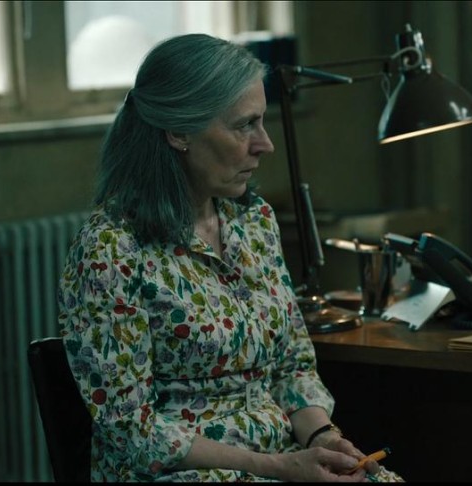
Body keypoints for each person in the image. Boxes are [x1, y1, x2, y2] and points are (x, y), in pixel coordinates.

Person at [57, 33, 404, 482]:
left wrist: (322, 436)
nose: (265, 144)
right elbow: (130, 430)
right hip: (179, 472)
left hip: (280, 457)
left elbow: (290, 366)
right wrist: (279, 468)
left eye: (263, 122)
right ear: (179, 132)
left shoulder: (253, 221)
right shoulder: (111, 249)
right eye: (245, 125)